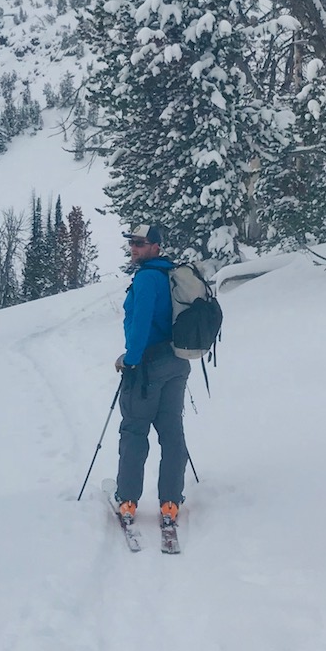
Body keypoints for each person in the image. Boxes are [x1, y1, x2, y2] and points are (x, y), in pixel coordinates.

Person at [113, 223, 190, 530]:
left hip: (148, 366)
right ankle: (170, 501)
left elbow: (140, 323)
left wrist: (130, 360)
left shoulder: (146, 278)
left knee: (134, 430)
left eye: (140, 243)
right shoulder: (170, 274)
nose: (134, 248)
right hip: (177, 362)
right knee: (171, 431)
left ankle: (128, 500)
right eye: (132, 243)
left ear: (156, 246)